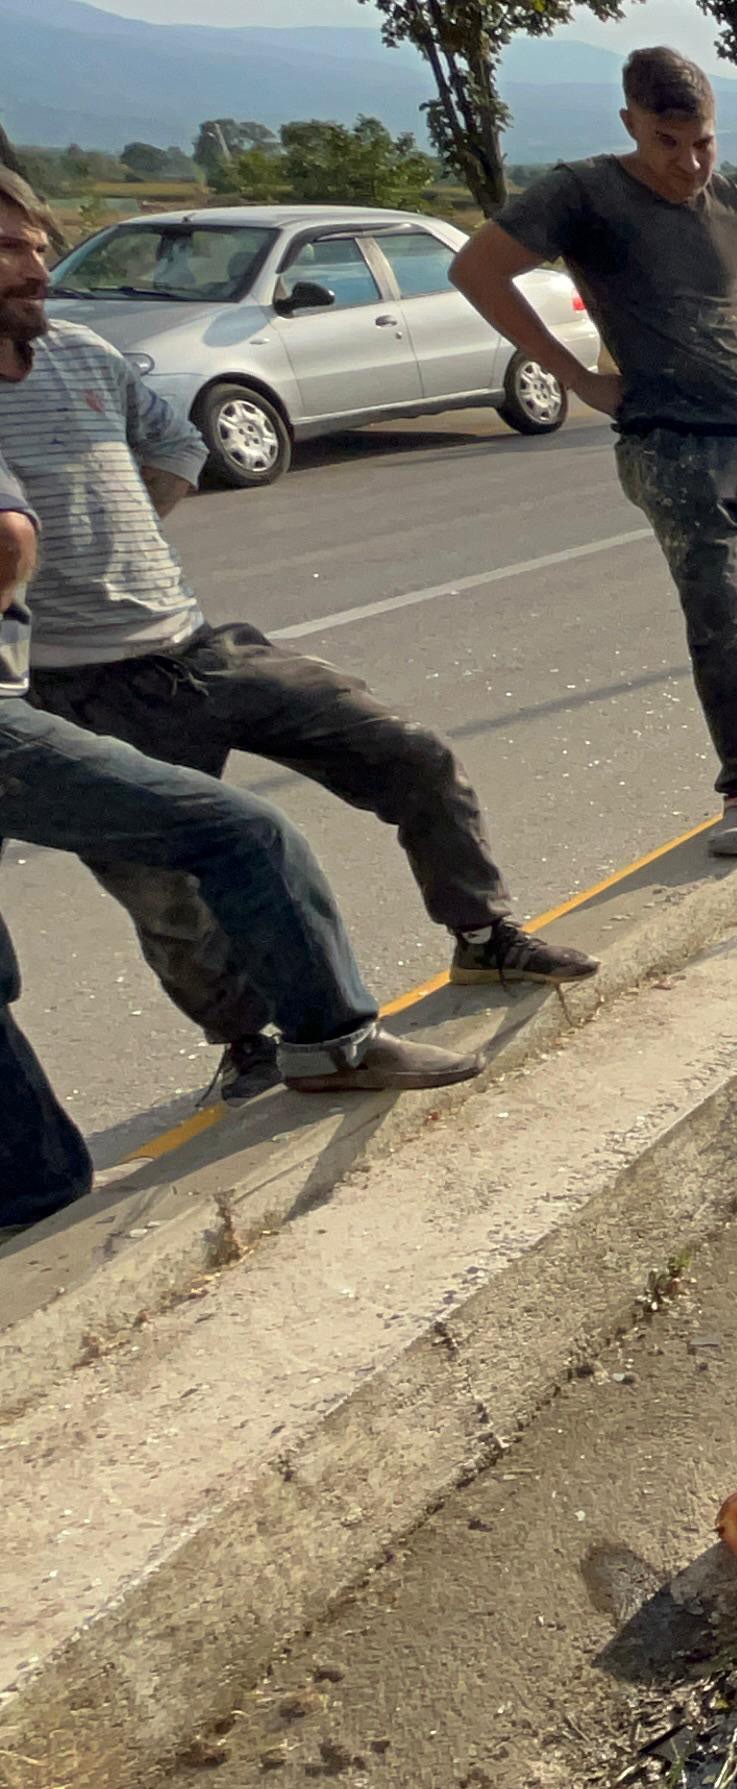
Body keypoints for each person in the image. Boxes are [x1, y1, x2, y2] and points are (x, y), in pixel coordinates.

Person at [0, 168, 581, 1105]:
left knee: (409, 754)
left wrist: (133, 541)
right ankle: (248, 1044)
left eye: (33, 244)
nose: (33, 266)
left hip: (197, 648)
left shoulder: (83, 353)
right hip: (76, 688)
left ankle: (483, 938)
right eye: (7, 251)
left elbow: (177, 443)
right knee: (168, 894)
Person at [5, 451, 479, 1235]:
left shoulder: (82, 360)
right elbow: (8, 535)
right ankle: (330, 1047)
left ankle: (32, 1202)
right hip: (41, 705)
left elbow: (164, 460)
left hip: (185, 647)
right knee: (238, 834)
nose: (42, 324)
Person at [451, 47, 737, 861]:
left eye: (702, 142)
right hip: (669, 444)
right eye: (669, 142)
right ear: (632, 124)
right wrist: (573, 378)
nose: (689, 162)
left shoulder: (731, 201)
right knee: (721, 621)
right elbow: (479, 269)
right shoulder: (585, 192)